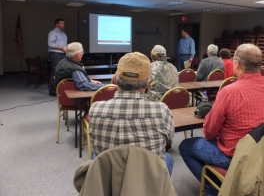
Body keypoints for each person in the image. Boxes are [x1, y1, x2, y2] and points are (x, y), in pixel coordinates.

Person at [179, 44, 264, 196]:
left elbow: (210, 132)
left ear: (236, 64)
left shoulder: (229, 92)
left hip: (236, 157)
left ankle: (213, 188)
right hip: (260, 155)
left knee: (185, 146)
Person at [89, 52, 175, 175]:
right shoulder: (162, 111)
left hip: (110, 181)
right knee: (168, 158)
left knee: (95, 155)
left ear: (116, 80)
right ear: (147, 83)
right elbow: (169, 140)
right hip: (147, 181)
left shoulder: (95, 109)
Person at [48, 18, 68, 96]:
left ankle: (60, 89)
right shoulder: (52, 33)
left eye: (64, 23)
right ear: (57, 24)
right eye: (62, 23)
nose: (64, 25)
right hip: (56, 54)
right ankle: (52, 91)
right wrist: (62, 48)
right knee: (55, 72)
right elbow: (50, 44)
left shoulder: (63, 33)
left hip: (63, 54)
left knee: (62, 72)